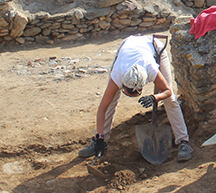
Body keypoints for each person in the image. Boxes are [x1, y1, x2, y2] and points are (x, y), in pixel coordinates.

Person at [79, 34, 192, 162]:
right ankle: (99, 141)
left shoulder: (151, 70)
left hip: (154, 46)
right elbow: (102, 108)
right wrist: (99, 136)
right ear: (123, 85)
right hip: (127, 46)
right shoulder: (118, 74)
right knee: (111, 102)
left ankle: (183, 141)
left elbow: (168, 91)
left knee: (169, 101)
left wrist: (155, 97)